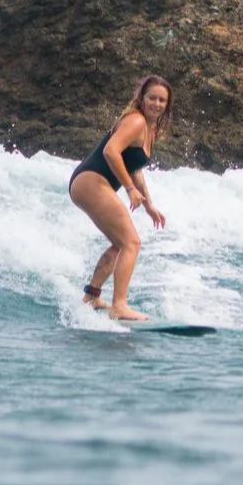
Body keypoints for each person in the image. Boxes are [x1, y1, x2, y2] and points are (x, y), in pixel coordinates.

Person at [68, 74, 171, 321]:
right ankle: (119, 306)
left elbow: (134, 166)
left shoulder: (150, 128)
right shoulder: (136, 121)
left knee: (120, 243)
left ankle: (91, 296)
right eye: (152, 98)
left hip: (89, 183)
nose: (156, 104)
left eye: (162, 100)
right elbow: (110, 151)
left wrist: (149, 204)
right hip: (91, 181)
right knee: (131, 243)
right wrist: (128, 189)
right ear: (142, 98)